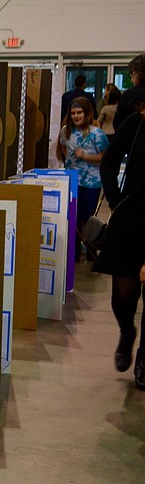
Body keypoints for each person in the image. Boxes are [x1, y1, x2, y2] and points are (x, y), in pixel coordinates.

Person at [93, 102, 145, 389]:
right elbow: (109, 160)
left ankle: (144, 361)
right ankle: (127, 331)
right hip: (131, 220)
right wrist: (115, 201)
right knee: (123, 295)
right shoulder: (136, 122)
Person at [56, 97, 109, 262]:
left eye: (79, 112)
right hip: (71, 181)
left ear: (86, 113)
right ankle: (74, 254)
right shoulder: (66, 131)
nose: (76, 116)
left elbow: (105, 157)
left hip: (91, 182)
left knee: (88, 217)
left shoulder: (97, 134)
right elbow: (63, 150)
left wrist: (86, 156)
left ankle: (93, 252)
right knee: (73, 217)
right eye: (73, 113)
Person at [114, 54, 145, 130]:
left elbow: (117, 123)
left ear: (136, 73)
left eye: (131, 72)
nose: (131, 75)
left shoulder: (129, 95)